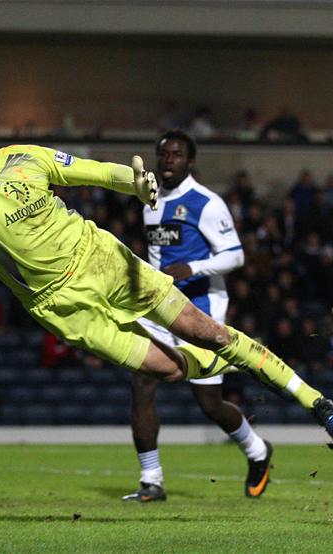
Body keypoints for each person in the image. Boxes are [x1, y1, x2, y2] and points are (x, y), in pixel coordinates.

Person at [0, 116, 333, 445]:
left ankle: (317, 403)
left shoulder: (26, 158)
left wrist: (134, 181)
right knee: (169, 371)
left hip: (103, 258)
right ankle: (226, 364)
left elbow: (89, 170)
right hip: (61, 305)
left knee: (206, 329)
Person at [123, 130, 271, 504]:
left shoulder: (207, 203)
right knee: (142, 383)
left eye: (175, 155)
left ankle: (257, 451)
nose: (168, 160)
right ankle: (151, 479)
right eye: (163, 154)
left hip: (201, 309)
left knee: (208, 402)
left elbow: (234, 255)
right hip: (158, 307)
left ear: (190, 162)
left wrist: (193, 268)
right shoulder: (150, 200)